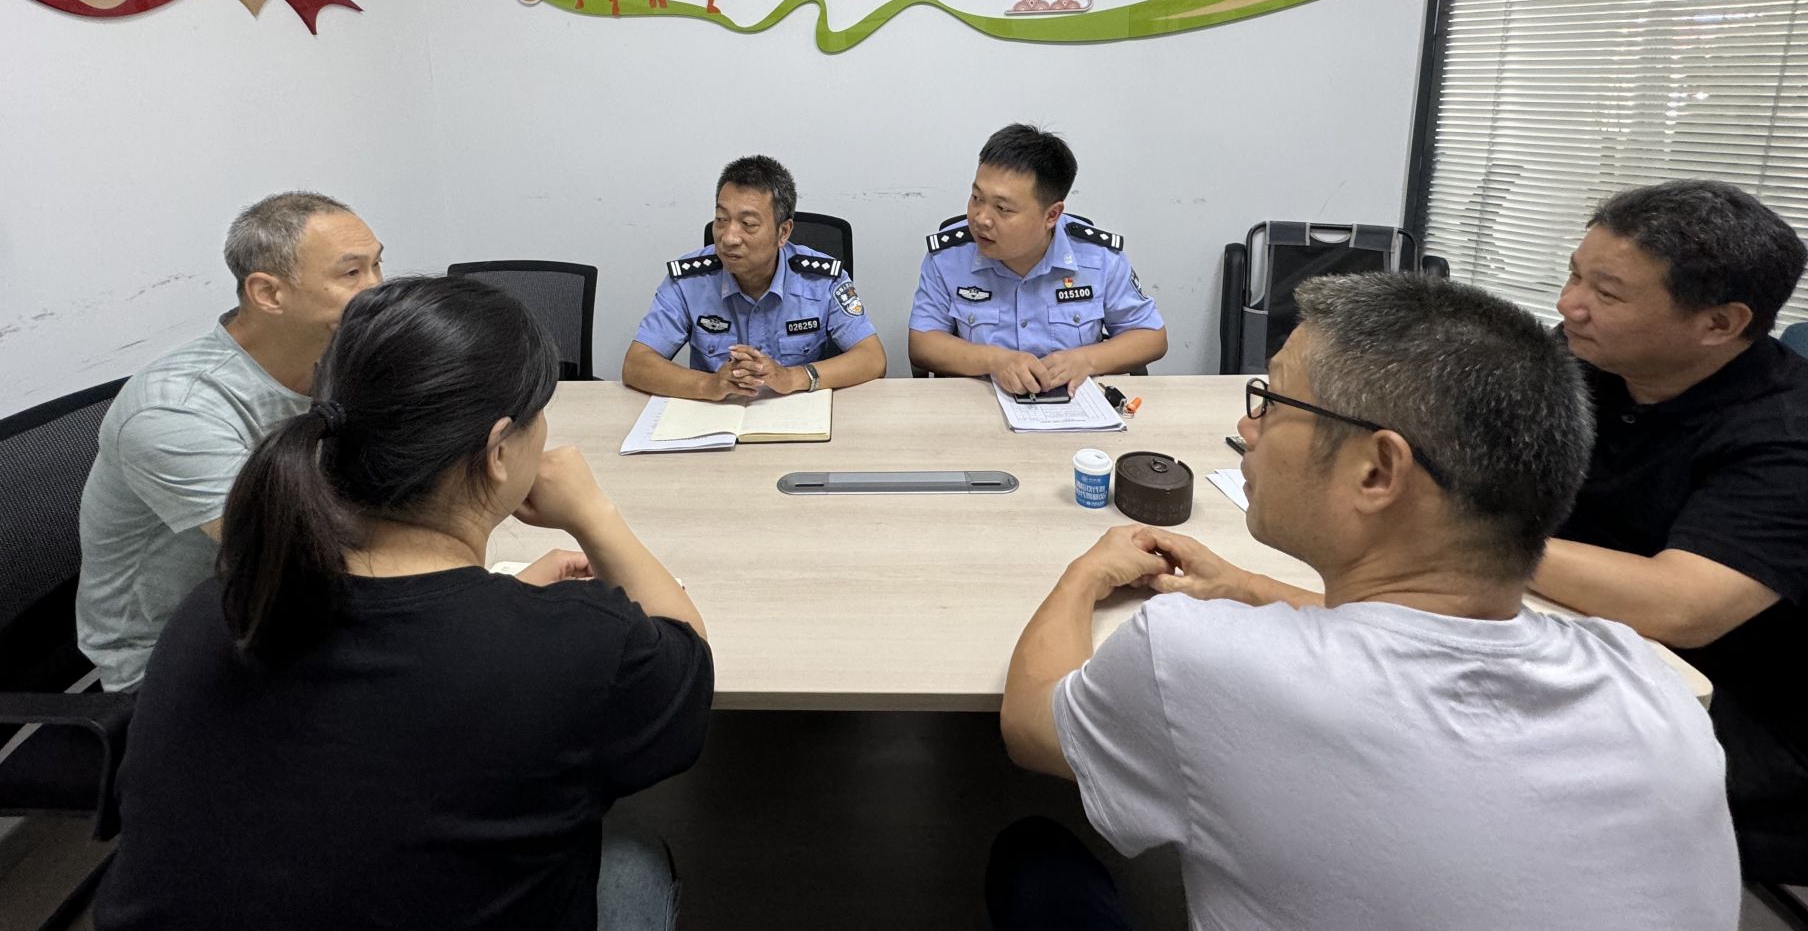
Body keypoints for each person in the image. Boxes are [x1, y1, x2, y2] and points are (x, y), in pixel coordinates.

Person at [993, 273, 1739, 931]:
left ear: (1378, 471)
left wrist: (1085, 575)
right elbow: (1424, 641)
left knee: (1033, 861)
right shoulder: (1656, 693)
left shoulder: (1196, 658)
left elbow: (1030, 726)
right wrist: (1248, 585)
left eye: (1270, 402)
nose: (1247, 428)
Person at [93, 275, 712, 931]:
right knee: (631, 863)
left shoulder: (219, 609)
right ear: (499, 451)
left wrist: (498, 608)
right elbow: (687, 663)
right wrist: (594, 514)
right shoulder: (573, 652)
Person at [1533, 180, 1808, 882]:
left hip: (1752, 721)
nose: (1569, 305)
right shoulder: (1592, 359)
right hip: (1603, 644)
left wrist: (1463, 536)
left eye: (1607, 293)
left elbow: (1680, 605)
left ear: (1719, 323)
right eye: (1574, 274)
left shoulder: (1787, 433)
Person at [77, 191, 382, 691]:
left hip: (278, 609)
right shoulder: (175, 411)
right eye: (352, 273)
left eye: (376, 266)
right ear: (268, 294)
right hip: (174, 660)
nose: (376, 290)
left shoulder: (332, 359)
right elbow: (300, 561)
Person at [907, 124, 1164, 393]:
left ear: (1051, 215)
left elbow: (1151, 335)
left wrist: (1086, 360)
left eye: (1002, 208)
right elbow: (923, 343)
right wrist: (995, 361)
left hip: (1074, 404)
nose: (981, 219)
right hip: (981, 401)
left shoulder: (1099, 258)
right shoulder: (949, 256)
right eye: (976, 198)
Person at [623, 155, 885, 402]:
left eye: (748, 224)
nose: (729, 238)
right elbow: (637, 364)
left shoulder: (821, 280)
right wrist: (709, 385)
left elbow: (872, 358)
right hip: (716, 420)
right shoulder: (689, 281)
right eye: (721, 219)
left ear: (783, 232)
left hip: (797, 416)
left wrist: (793, 377)